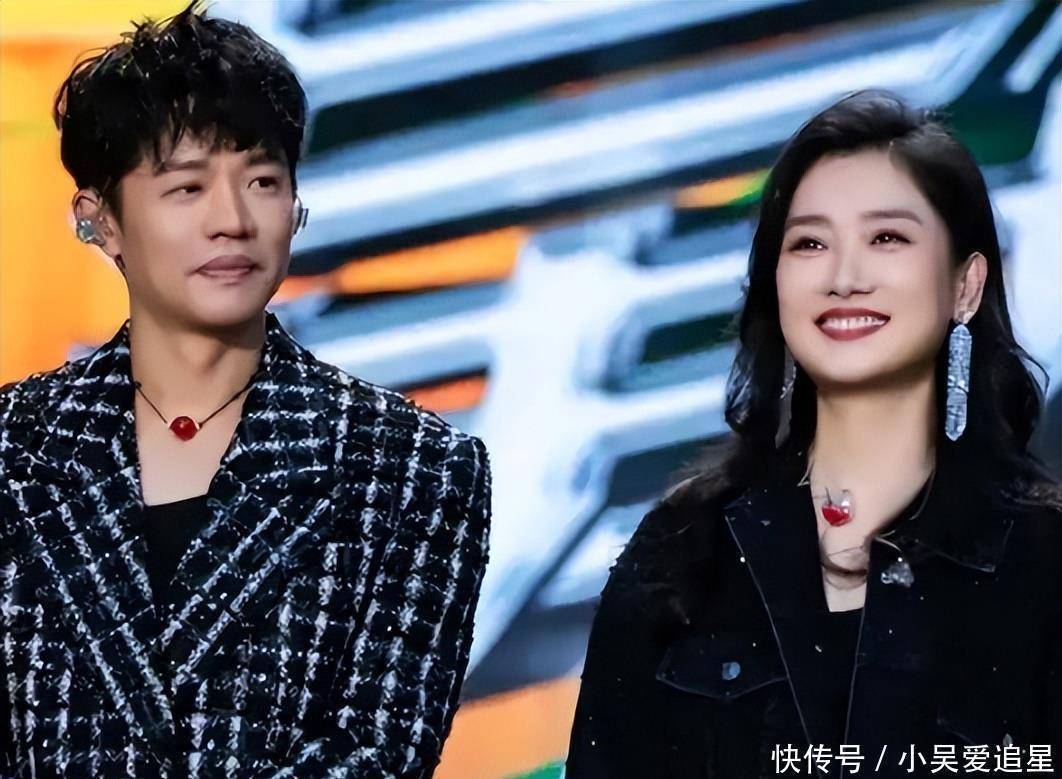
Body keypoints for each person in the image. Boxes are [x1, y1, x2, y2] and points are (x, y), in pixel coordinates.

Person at [0, 2, 491, 777]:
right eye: (187, 188)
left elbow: (376, 754)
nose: (231, 220)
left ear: (295, 206)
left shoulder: (414, 469)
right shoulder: (14, 449)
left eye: (261, 180)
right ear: (100, 221)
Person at [565, 89, 1062, 778]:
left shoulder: (1043, 558)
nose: (844, 277)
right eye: (809, 243)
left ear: (965, 286)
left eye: (886, 238)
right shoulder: (682, 554)